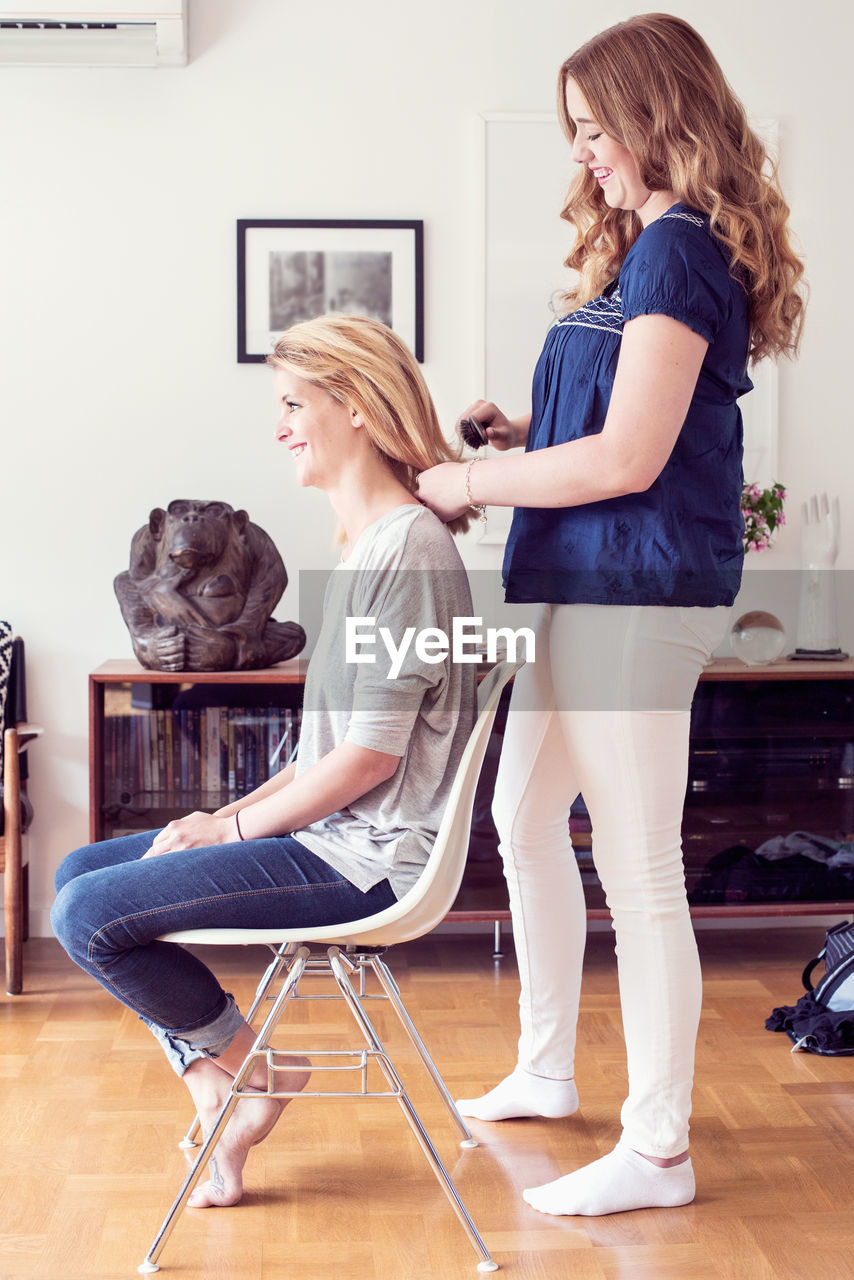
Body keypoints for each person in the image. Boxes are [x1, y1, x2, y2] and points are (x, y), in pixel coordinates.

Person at [415, 13, 805, 1218]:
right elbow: (623, 426)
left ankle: (659, 1146)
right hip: (578, 585)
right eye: (572, 129)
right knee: (521, 819)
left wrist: (467, 482)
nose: (581, 149)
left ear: (654, 116)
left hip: (634, 594)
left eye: (594, 126)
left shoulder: (680, 249)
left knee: (637, 869)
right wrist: (522, 435)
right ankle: (543, 1064)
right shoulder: (642, 252)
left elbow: (632, 459)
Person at [52, 314, 476, 1210]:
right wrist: (215, 821)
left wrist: (228, 826)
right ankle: (231, 1075)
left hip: (367, 862)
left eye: (293, 404)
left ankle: (245, 1071)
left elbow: (366, 759)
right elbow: (325, 751)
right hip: (333, 836)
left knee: (88, 913)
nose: (280, 425)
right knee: (79, 870)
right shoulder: (368, 549)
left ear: (356, 405)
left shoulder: (406, 553)